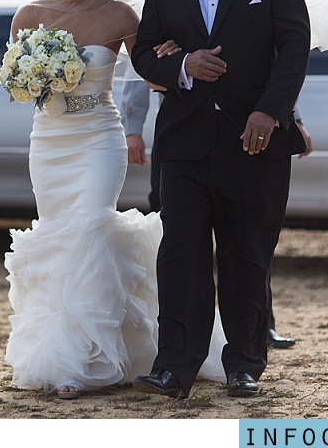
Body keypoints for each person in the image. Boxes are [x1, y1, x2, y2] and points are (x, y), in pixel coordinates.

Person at [3, 0, 228, 400]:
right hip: (49, 140)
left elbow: (150, 71)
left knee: (89, 230)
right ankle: (66, 356)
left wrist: (171, 61)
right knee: (57, 237)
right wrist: (34, 80)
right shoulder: (28, 14)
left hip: (98, 137)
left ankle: (95, 356)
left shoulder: (119, 14)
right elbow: (16, 80)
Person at [130, 0, 311, 399]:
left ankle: (245, 366)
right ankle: (175, 367)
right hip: (185, 143)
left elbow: (294, 45)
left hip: (253, 144)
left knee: (246, 254)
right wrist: (182, 64)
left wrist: (269, 112)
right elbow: (142, 52)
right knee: (180, 253)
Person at [121, 80, 313, 349]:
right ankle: (177, 338)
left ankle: (260, 325)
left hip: (240, 131)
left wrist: (295, 117)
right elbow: (141, 70)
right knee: (179, 242)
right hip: (181, 137)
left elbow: (270, 63)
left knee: (247, 238)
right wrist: (133, 128)